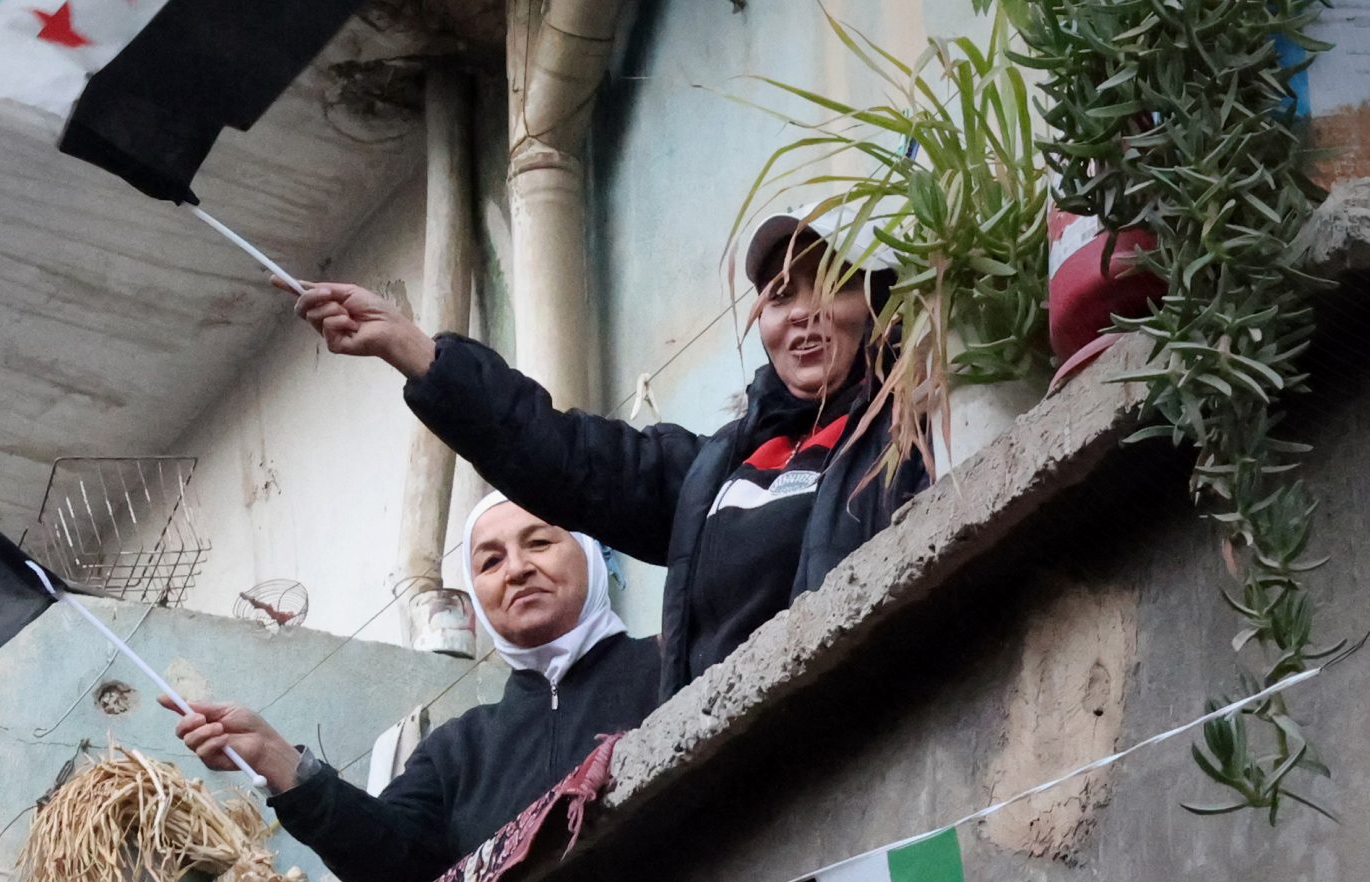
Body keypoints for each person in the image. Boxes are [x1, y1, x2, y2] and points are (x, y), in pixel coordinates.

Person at [294, 210, 928, 698]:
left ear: (879, 301)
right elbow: (570, 457)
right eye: (781, 295)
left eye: (834, 285)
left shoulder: (916, 427)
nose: (803, 314)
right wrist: (415, 352)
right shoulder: (715, 471)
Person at [175, 493, 659, 882]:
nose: (516, 569)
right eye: (490, 561)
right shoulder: (459, 750)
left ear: (590, 553)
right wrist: (280, 763)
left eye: (539, 543)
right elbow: (394, 861)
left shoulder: (670, 663)